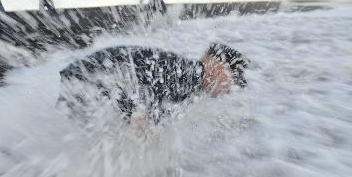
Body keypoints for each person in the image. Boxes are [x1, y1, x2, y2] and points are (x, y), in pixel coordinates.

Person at [58, 43, 248, 125]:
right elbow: (139, 107)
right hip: (85, 81)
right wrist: (140, 121)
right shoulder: (189, 74)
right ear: (217, 66)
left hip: (80, 78)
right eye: (233, 79)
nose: (231, 89)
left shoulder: (190, 80)